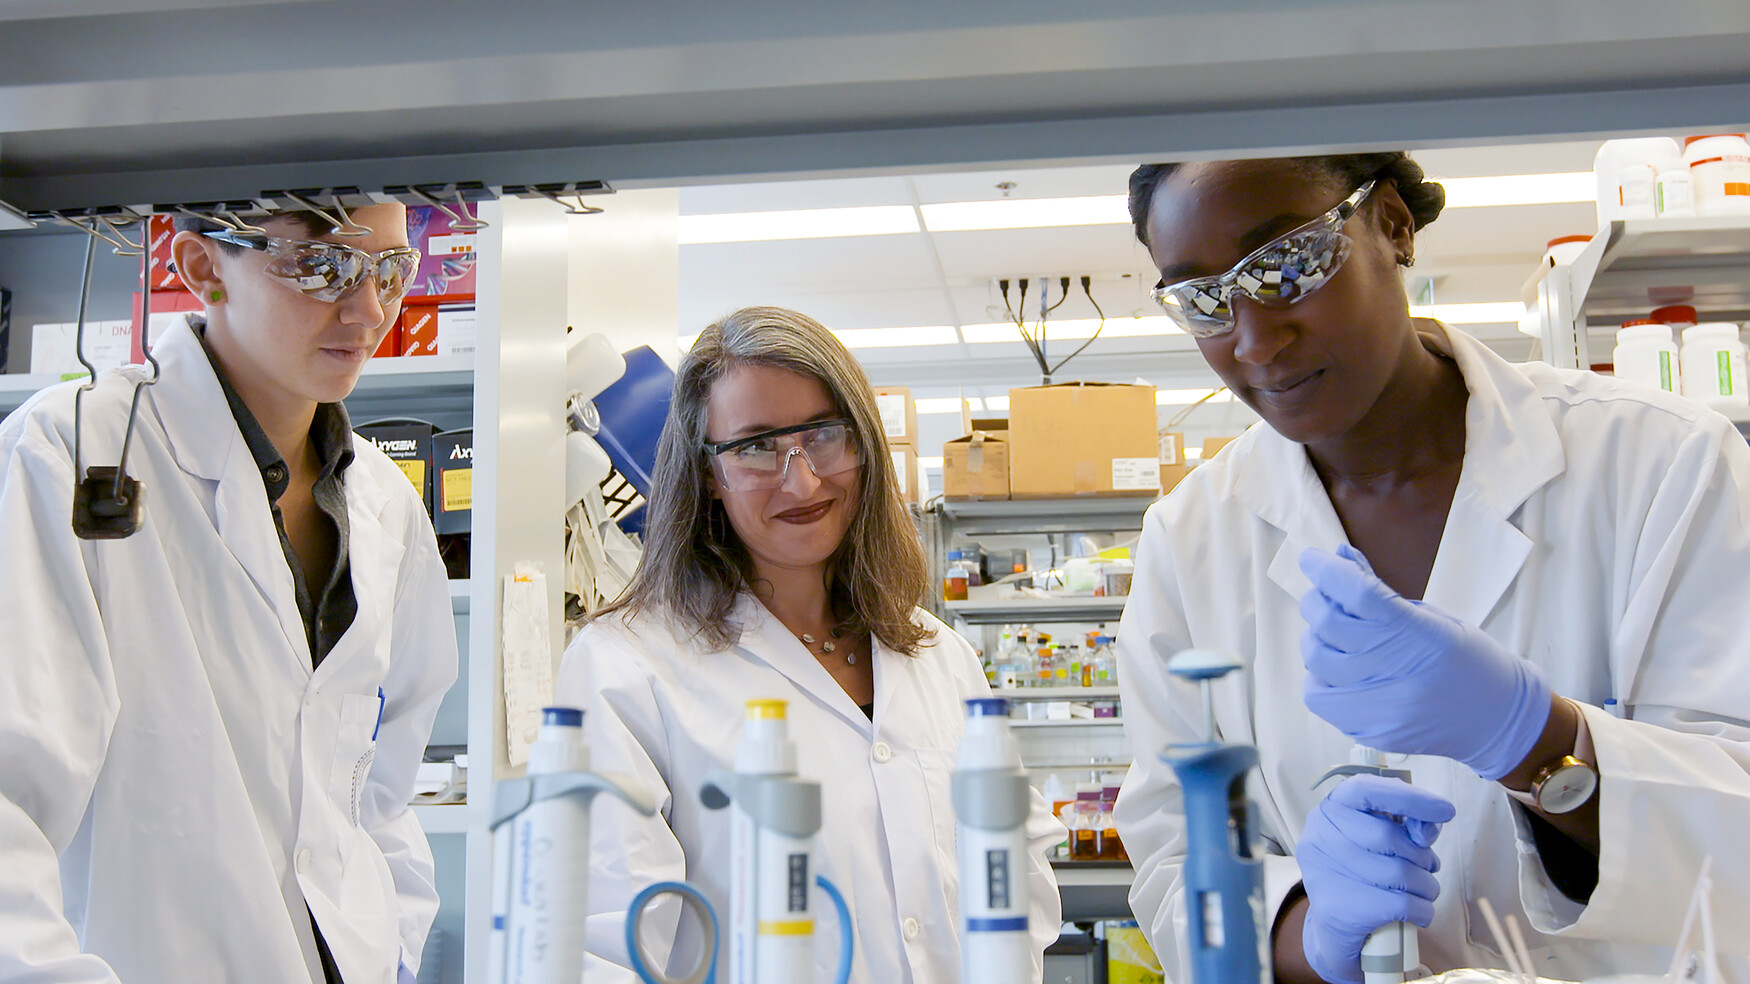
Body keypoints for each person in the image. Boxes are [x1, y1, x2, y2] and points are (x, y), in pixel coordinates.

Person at [1111, 153, 1750, 983]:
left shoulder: (1663, 463)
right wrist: (1307, 928)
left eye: (1289, 264)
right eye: (1202, 299)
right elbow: (1173, 859)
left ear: (1393, 226)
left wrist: (1540, 744)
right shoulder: (1190, 538)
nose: (1256, 338)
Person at [0, 202, 457, 983]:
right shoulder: (71, 453)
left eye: (389, 269)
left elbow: (377, 794)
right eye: (323, 265)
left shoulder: (386, 503)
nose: (369, 309)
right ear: (202, 268)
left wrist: (394, 945)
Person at [556, 306, 1063, 983]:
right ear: (708, 473)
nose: (801, 480)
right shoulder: (627, 667)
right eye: (755, 447)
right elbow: (603, 947)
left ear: (863, 443)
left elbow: (1015, 874)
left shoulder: (940, 658)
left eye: (823, 435)